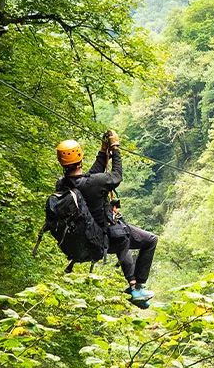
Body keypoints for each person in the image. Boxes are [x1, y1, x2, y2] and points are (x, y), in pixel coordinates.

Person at [55, 129, 158, 306]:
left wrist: (103, 151)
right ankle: (136, 288)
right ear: (80, 157)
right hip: (106, 237)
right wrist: (115, 149)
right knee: (149, 240)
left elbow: (90, 174)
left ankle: (135, 289)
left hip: (89, 239)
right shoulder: (94, 182)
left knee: (123, 236)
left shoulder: (64, 184)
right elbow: (117, 175)